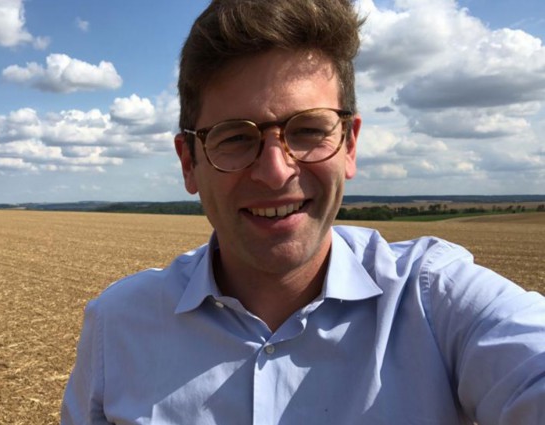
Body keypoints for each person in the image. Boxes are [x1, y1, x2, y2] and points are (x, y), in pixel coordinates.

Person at [61, 0, 545, 423]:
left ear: (350, 144)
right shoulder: (117, 327)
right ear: (189, 163)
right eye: (234, 137)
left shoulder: (436, 302)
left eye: (309, 130)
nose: (275, 172)